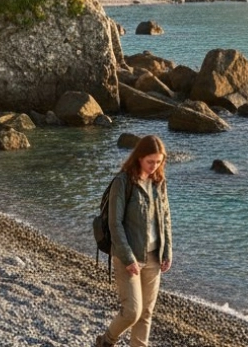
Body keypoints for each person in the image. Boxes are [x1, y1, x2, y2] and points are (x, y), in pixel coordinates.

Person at [95, 135, 173, 347]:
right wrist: (128, 257)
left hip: (154, 256)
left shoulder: (159, 182)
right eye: (150, 161)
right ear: (139, 157)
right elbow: (115, 223)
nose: (154, 166)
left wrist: (167, 252)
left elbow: (165, 218)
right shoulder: (122, 182)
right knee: (132, 311)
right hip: (127, 255)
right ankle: (106, 341)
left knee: (146, 313)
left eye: (158, 162)